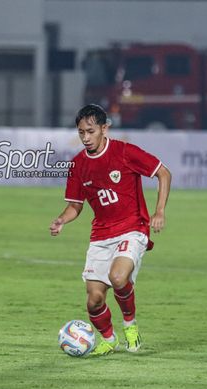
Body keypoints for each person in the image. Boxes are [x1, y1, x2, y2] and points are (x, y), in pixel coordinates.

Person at [50, 104, 172, 356]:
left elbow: (163, 173)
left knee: (118, 277)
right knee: (93, 300)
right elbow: (75, 205)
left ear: (104, 129)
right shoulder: (78, 165)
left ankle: (130, 326)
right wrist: (62, 220)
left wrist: (159, 211)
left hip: (132, 228)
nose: (85, 137)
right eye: (81, 132)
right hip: (101, 235)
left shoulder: (125, 152)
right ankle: (108, 338)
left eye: (90, 131)